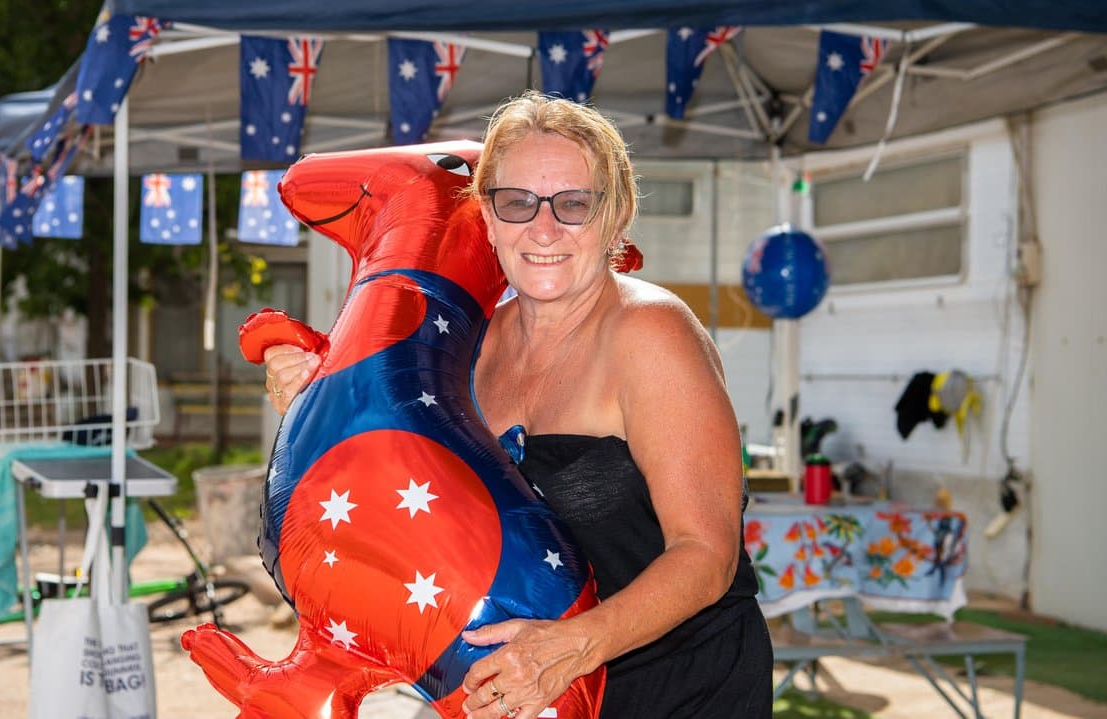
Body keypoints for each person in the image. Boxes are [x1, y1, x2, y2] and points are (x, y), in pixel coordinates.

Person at [263, 90, 771, 718]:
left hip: (682, 688)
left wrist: (574, 646)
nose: (544, 228)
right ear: (487, 217)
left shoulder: (651, 333)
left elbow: (707, 555)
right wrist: (318, 394)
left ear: (615, 216)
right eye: (518, 202)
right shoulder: (469, 346)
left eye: (574, 203)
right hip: (532, 693)